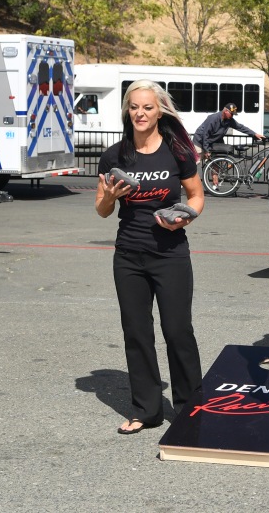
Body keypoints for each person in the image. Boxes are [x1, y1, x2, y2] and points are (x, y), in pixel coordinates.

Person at [95, 79, 205, 435]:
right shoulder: (115, 156)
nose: (140, 113)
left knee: (177, 330)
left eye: (147, 107)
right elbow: (101, 210)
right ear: (127, 111)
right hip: (129, 254)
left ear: (160, 111)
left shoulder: (178, 152)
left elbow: (196, 196)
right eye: (134, 107)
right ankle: (147, 409)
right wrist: (111, 196)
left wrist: (184, 217)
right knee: (136, 332)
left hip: (171, 254)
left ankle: (190, 407)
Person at [192, 102, 265, 161]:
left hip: (212, 143)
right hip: (199, 142)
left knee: (216, 166)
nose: (232, 116)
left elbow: (240, 127)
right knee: (195, 164)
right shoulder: (213, 118)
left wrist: (254, 134)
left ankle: (215, 180)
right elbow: (205, 134)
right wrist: (206, 150)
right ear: (225, 111)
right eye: (231, 114)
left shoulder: (230, 120)